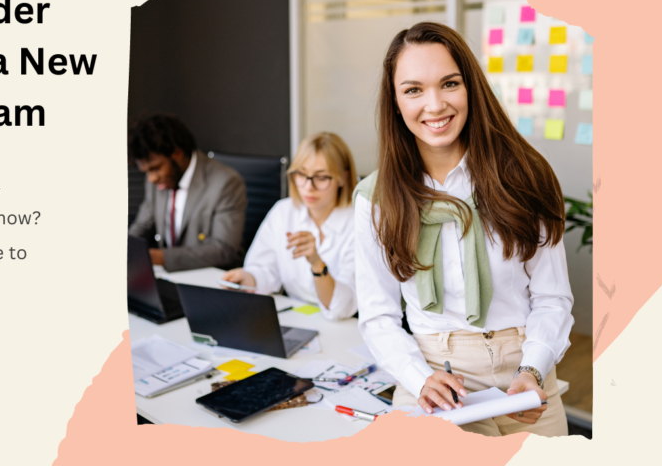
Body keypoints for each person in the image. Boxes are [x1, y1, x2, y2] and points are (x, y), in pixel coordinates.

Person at [354, 22, 573, 437]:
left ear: (471, 87)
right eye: (413, 90)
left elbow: (552, 296)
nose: (434, 105)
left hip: (525, 368)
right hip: (436, 376)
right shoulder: (376, 199)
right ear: (396, 102)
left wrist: (533, 368)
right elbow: (378, 314)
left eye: (449, 84)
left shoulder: (525, 177)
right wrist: (419, 378)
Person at [222, 133, 358, 319]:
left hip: (346, 326)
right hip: (296, 316)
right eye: (301, 174)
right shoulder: (284, 211)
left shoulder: (360, 221)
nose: (308, 187)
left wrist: (317, 264)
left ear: (343, 177)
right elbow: (265, 270)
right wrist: (246, 279)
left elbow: (340, 307)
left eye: (321, 177)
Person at [128, 114, 247, 272]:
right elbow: (143, 225)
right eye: (146, 171)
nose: (151, 178)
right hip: (168, 275)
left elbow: (223, 249)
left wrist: (157, 257)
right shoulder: (158, 180)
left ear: (177, 153)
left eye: (155, 168)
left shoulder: (226, 182)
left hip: (210, 278)